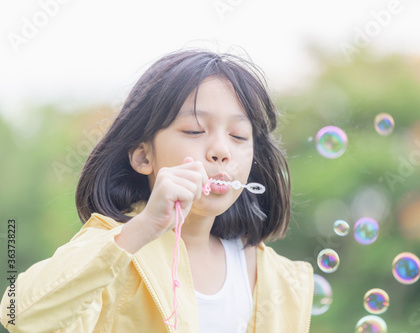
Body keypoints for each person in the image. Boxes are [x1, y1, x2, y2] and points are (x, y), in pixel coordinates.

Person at [1, 49, 314, 333]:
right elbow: (17, 314)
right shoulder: (117, 248)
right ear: (143, 156)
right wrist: (146, 225)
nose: (221, 150)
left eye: (238, 135)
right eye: (194, 130)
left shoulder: (279, 281)